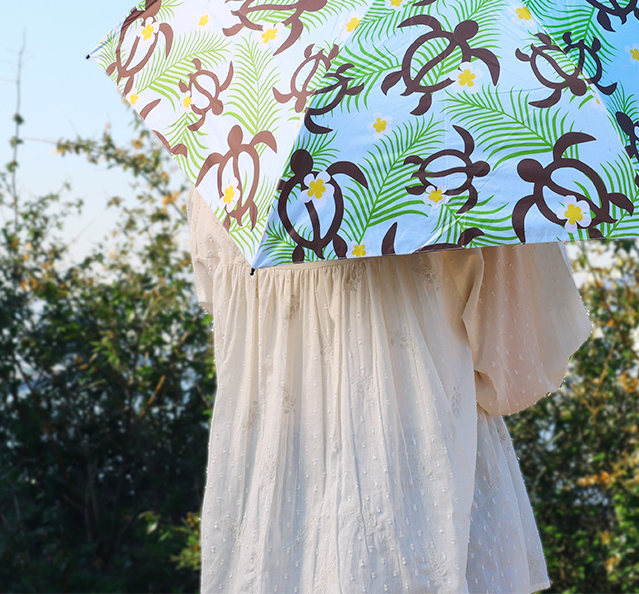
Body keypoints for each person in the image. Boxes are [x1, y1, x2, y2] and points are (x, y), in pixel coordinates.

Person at [188, 188, 592, 594]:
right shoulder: (458, 171)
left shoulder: (226, 179)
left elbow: (221, 310)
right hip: (420, 484)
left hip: (273, 495)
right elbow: (516, 370)